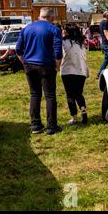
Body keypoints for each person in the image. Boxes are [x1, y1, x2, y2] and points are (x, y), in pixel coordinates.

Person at [16, 7, 63, 135]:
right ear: (52, 18)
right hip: (46, 65)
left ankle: (35, 125)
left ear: (39, 16)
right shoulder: (54, 29)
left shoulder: (26, 28)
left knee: (35, 94)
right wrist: (57, 67)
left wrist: (24, 63)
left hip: (30, 65)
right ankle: (51, 126)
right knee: (50, 95)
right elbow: (58, 53)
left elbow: (18, 50)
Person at [61, 24, 89, 125]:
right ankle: (83, 110)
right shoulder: (81, 43)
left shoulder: (63, 42)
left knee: (70, 95)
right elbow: (84, 58)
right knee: (79, 93)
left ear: (67, 32)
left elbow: (59, 55)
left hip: (67, 71)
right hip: (81, 71)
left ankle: (74, 117)